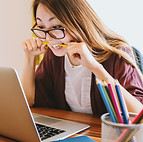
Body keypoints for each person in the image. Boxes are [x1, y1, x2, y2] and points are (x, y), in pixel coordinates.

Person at [22, 0, 143, 115]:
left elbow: (138, 115)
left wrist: (95, 67)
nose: (48, 38)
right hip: (73, 132)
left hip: (108, 135)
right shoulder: (55, 55)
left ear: (77, 23)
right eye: (42, 27)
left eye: (56, 26)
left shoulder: (117, 54)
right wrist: (30, 58)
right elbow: (29, 100)